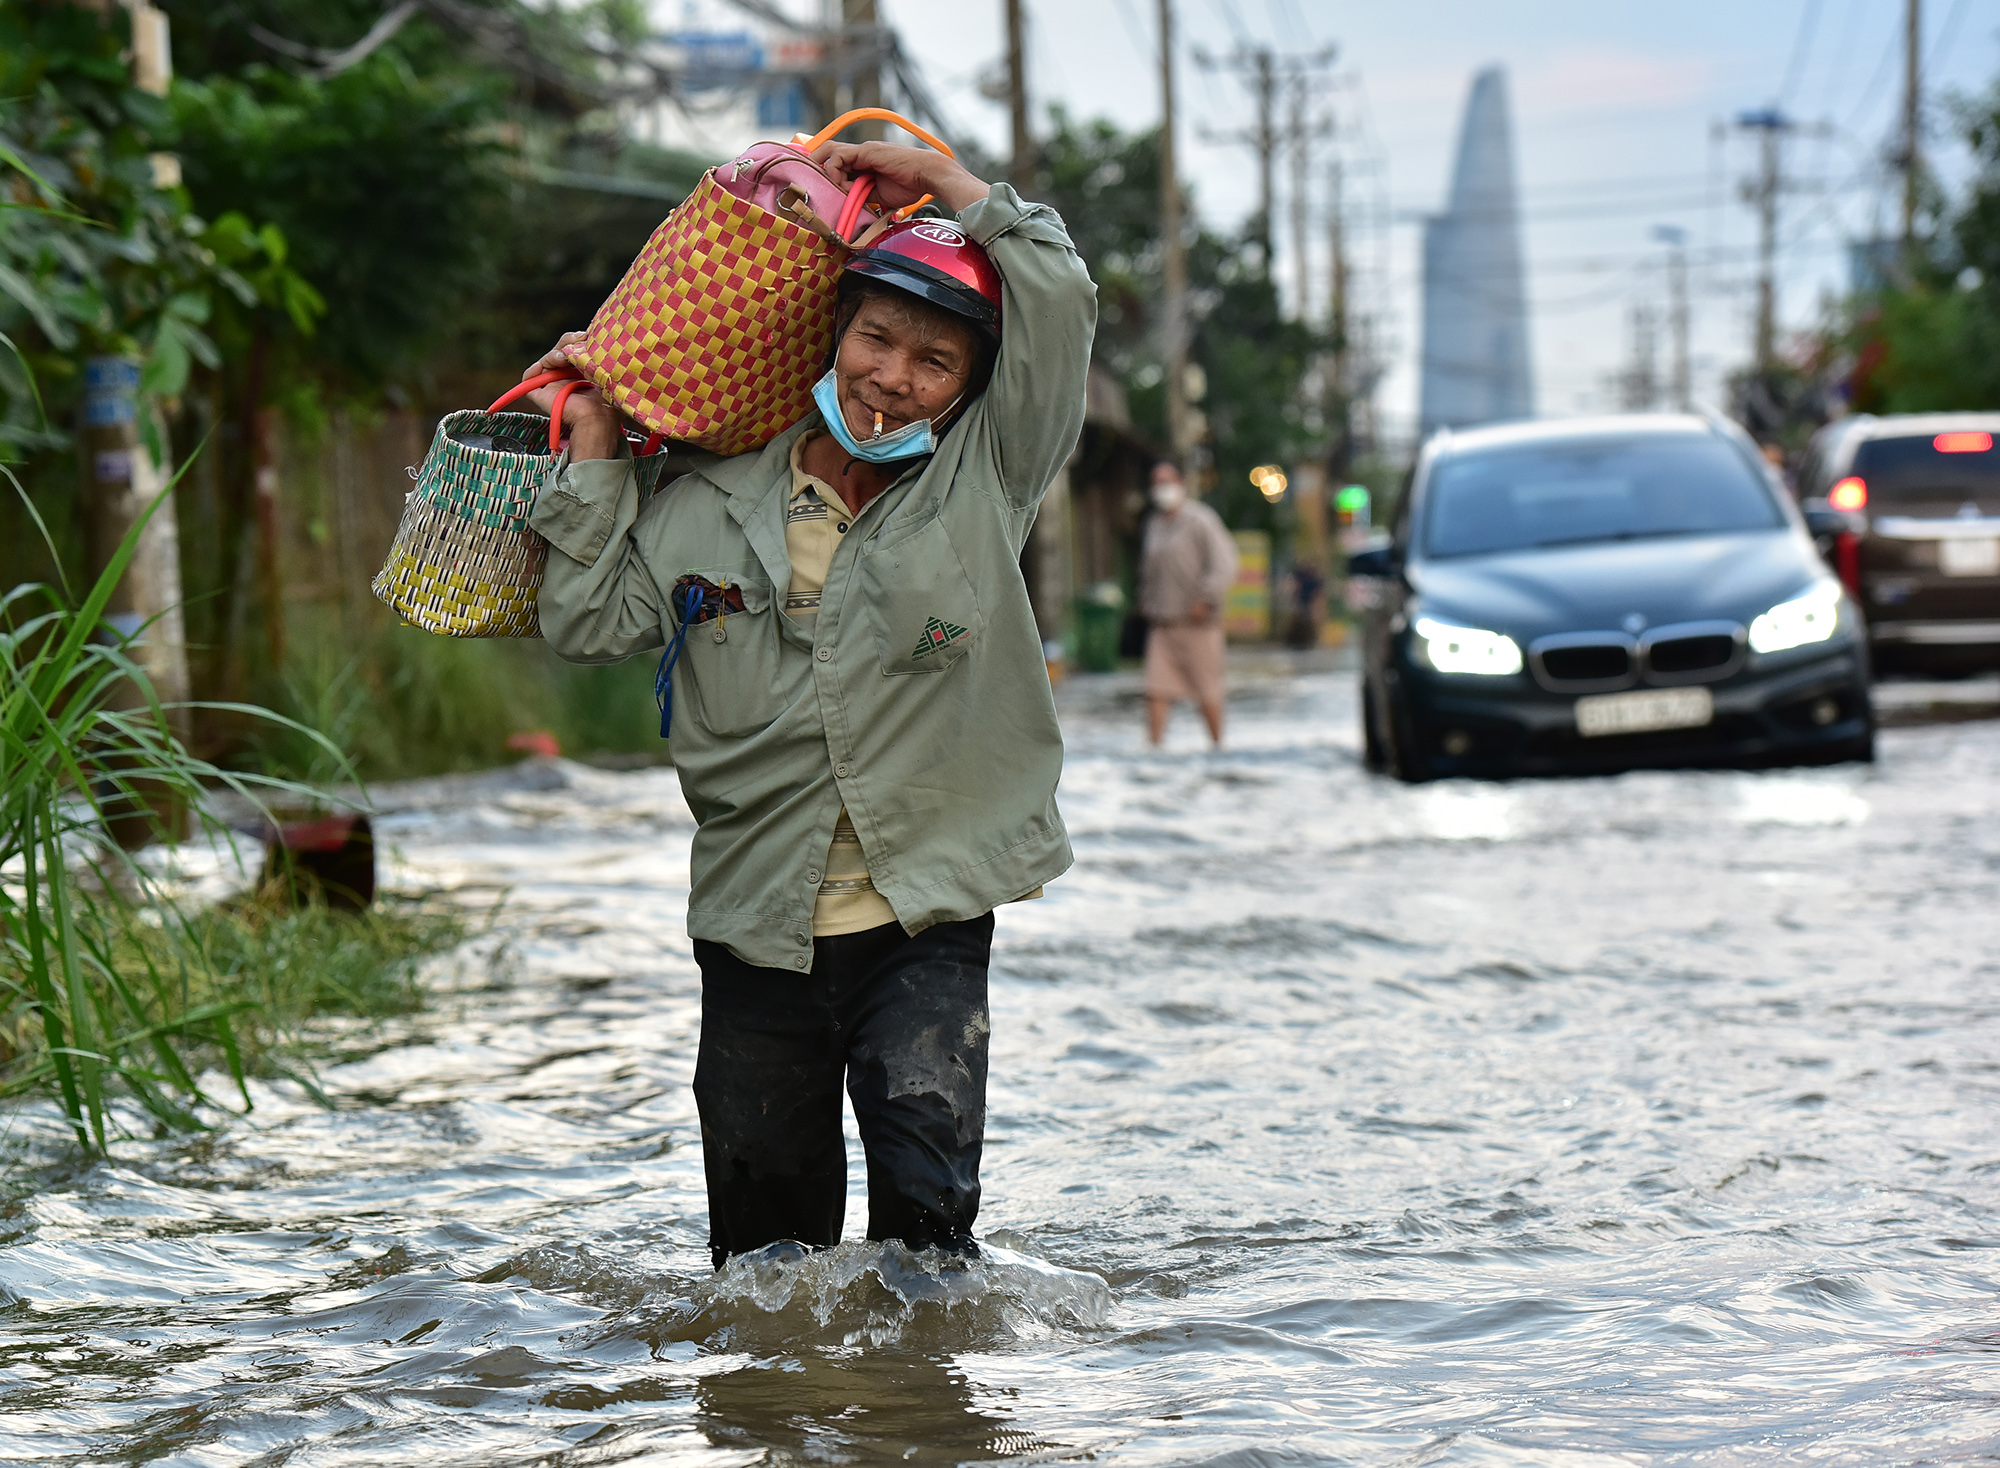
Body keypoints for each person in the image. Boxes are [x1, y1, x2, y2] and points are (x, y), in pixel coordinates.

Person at [520, 141, 1095, 1269]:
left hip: (922, 921)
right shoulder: (697, 503)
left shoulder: (986, 481)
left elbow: (1060, 299)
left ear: (969, 391)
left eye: (933, 362)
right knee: (760, 1274)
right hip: (753, 930)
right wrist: (593, 459)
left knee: (930, 1250)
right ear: (832, 336)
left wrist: (944, 176)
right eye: (876, 337)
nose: (892, 376)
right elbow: (584, 626)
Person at [1139, 460, 1238, 747]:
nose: (1161, 488)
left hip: (1198, 623)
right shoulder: (1154, 525)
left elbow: (1225, 563)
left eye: (1167, 481)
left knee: (1206, 691)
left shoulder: (1201, 520)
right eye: (1156, 482)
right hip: (1163, 622)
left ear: (1181, 483)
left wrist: (1206, 599)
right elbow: (1148, 571)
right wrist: (1146, 603)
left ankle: (1217, 747)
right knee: (1155, 689)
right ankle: (1153, 750)